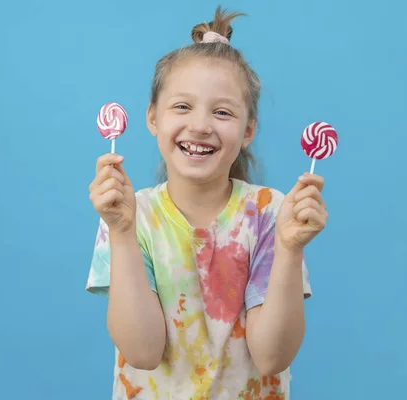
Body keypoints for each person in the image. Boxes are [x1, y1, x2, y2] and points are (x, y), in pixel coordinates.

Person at [86, 6, 328, 399]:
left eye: (222, 112)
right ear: (153, 118)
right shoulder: (130, 214)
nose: (200, 125)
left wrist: (289, 247)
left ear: (248, 130)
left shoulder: (271, 213)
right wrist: (121, 230)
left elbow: (272, 357)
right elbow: (142, 352)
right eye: (182, 106)